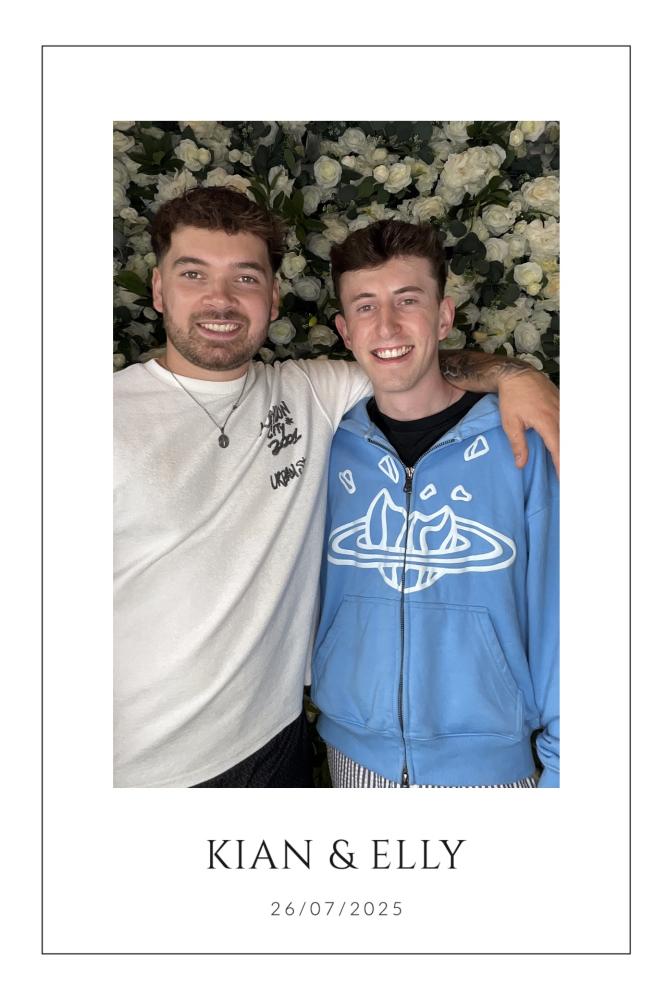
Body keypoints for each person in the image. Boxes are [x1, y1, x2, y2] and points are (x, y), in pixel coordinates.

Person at [114, 186, 559, 788]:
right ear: (158, 289)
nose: (220, 298)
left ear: (273, 297)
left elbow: (407, 360)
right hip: (140, 769)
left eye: (245, 277)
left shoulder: (312, 397)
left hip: (278, 747)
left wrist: (517, 376)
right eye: (193, 274)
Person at [311, 220, 559, 788]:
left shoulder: (521, 443)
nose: (387, 325)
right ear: (344, 331)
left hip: (491, 771)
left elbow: (566, 611)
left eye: (408, 300)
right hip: (353, 758)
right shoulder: (327, 442)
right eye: (366, 307)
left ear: (443, 316)